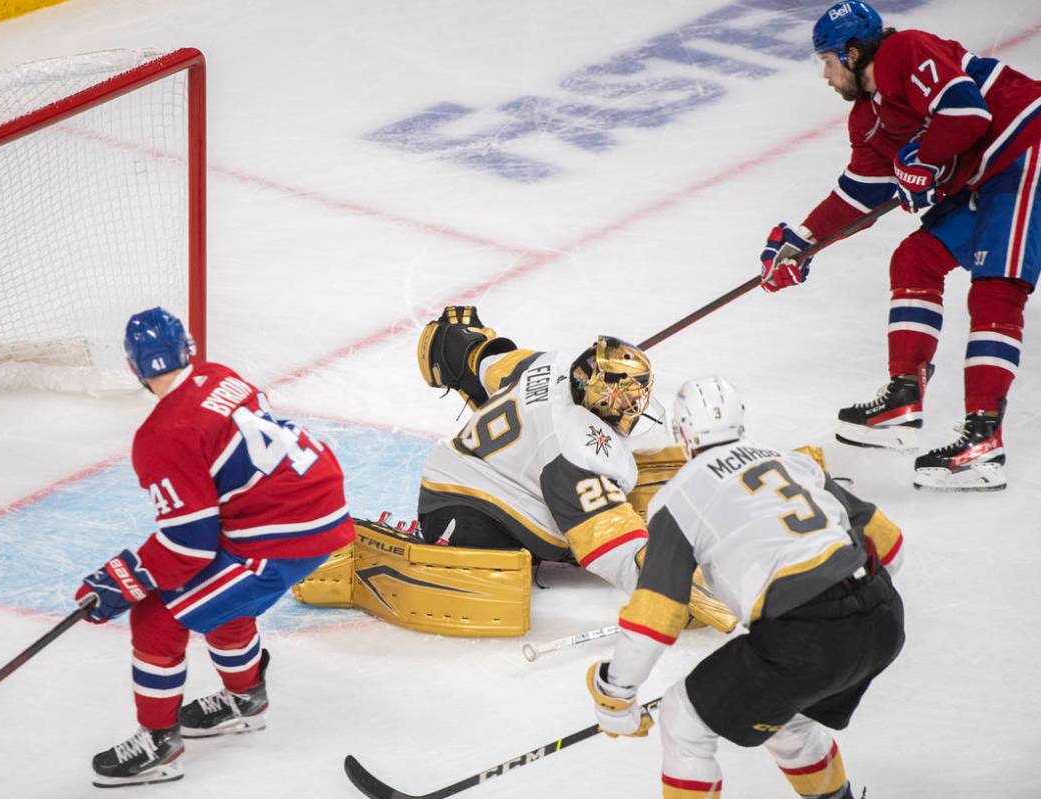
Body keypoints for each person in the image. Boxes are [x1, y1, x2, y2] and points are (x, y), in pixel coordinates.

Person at [759, 0, 1041, 491]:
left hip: (1025, 150)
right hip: (986, 179)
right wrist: (802, 243)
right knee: (915, 259)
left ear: (851, 54)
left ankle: (982, 444)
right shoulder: (868, 117)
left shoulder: (903, 51)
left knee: (995, 288)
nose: (825, 75)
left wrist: (925, 158)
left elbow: (966, 113)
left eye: (826, 61)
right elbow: (862, 194)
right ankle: (903, 399)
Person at [586, 376, 905, 799]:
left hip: (807, 637)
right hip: (883, 617)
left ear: (682, 434)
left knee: (684, 720)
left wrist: (616, 691)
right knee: (787, 715)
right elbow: (891, 545)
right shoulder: (793, 461)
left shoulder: (679, 496)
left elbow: (657, 614)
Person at [74, 307, 355, 788]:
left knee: (158, 615)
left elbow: (188, 547)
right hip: (315, 505)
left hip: (281, 533)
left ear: (134, 368)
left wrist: (125, 579)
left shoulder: (161, 436)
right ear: (188, 350)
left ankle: (158, 745)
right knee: (221, 596)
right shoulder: (219, 375)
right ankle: (244, 700)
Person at [411, 306, 734, 631]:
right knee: (512, 568)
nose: (635, 406)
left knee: (632, 475)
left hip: (492, 469)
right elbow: (609, 542)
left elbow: (482, 361)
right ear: (603, 398)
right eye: (629, 400)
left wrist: (458, 340)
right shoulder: (577, 449)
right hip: (465, 509)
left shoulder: (549, 364)